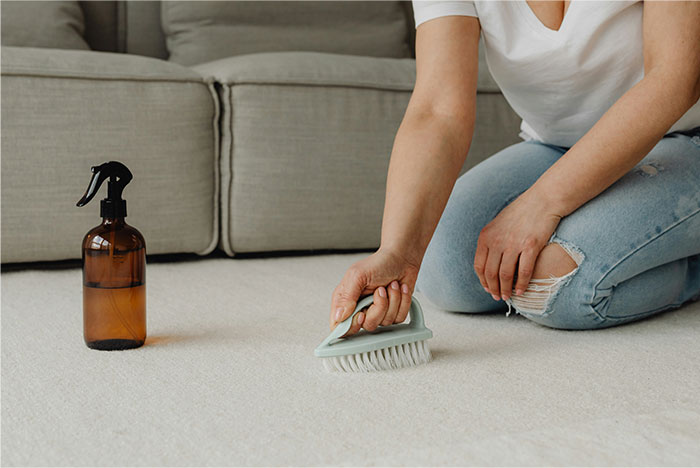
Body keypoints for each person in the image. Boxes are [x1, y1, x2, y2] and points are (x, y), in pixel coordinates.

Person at [329, 0, 700, 333]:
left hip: (683, 137)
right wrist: (398, 250)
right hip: (555, 146)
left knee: (551, 287)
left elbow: (673, 79)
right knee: (444, 269)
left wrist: (543, 203)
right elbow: (437, 110)